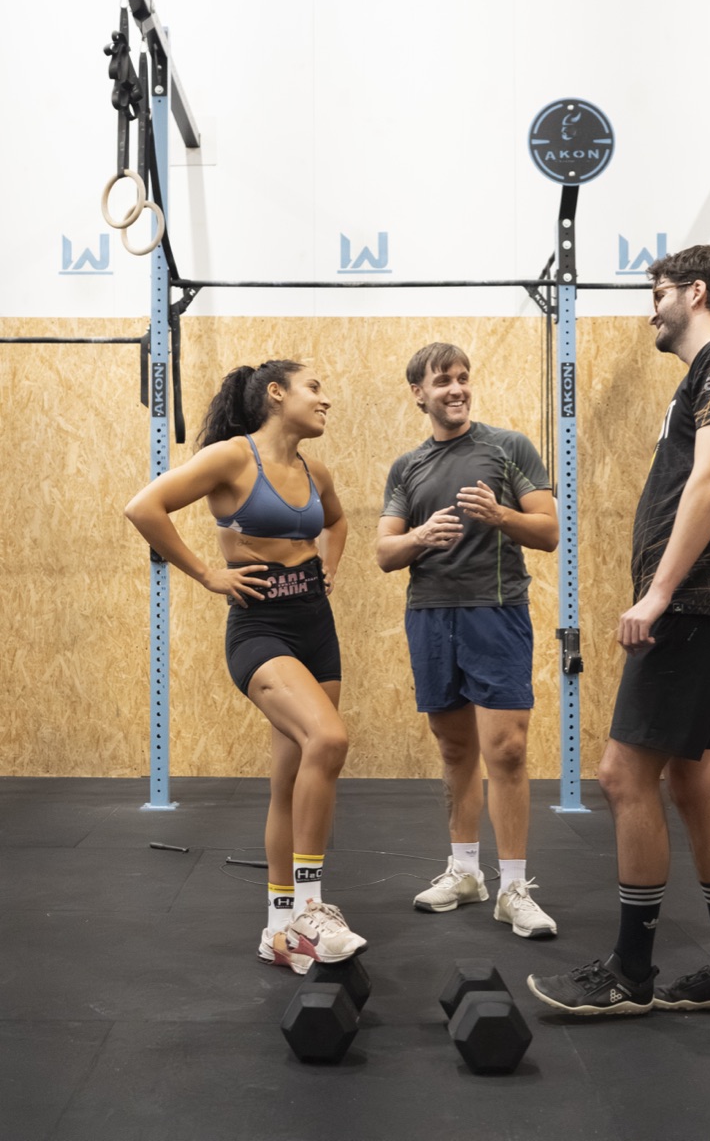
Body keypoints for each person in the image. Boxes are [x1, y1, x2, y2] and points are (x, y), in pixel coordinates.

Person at [528, 245, 710, 1016]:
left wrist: (660, 592)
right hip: (700, 603)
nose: (651, 307)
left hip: (698, 603)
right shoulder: (702, 376)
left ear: (694, 292)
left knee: (621, 776)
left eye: (659, 291)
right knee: (693, 780)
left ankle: (629, 975)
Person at [124, 359, 366, 974]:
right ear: (276, 394)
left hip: (316, 627)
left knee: (292, 776)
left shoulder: (315, 470)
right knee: (330, 739)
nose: (326, 399)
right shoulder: (233, 458)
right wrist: (208, 572)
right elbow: (144, 507)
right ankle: (310, 909)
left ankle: (278, 929)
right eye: (317, 387)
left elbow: (336, 521)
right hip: (260, 630)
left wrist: (330, 564)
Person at [376, 343, 560, 938]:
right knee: (456, 752)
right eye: (442, 381)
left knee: (505, 749)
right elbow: (385, 552)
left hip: (496, 612)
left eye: (462, 379)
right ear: (418, 394)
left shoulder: (508, 448)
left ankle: (513, 888)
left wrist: (501, 516)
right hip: (430, 615)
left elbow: (550, 530)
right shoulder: (407, 468)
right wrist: (421, 536)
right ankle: (464, 872)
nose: (456, 389)